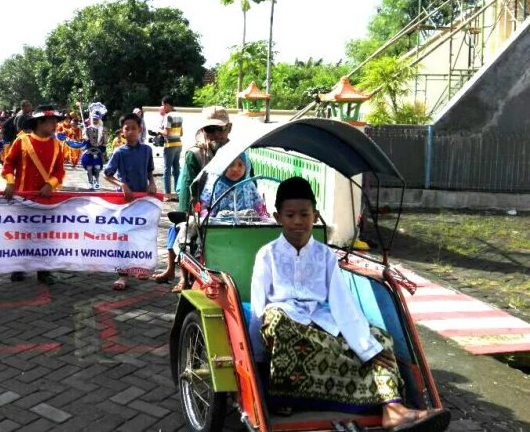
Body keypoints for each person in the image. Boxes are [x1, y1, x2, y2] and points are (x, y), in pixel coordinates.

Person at [250, 177, 449, 430]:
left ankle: (393, 408)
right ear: (278, 217)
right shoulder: (267, 254)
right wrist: (257, 358)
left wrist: (367, 346)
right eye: (290, 215)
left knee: (381, 340)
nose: (298, 221)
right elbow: (257, 306)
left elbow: (342, 302)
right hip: (284, 321)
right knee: (277, 320)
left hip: (321, 321)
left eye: (304, 214)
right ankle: (285, 395)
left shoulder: (325, 255)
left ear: (315, 216)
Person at [152, 106, 232, 292]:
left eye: (219, 129)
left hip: (229, 208)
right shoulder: (196, 154)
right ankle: (181, 275)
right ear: (203, 130)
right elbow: (189, 187)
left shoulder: (237, 151)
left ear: (229, 128)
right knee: (182, 230)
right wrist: (187, 213)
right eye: (210, 129)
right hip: (202, 208)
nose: (215, 134)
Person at [2, 104, 66, 285]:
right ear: (39, 122)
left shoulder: (57, 145)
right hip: (23, 198)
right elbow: (9, 163)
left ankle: (43, 271)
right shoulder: (21, 141)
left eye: (55, 122)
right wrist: (10, 182)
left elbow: (60, 171)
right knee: (22, 234)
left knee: (45, 235)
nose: (55, 125)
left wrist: (50, 184)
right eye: (51, 121)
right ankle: (18, 267)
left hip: (46, 199)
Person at [104, 113, 157, 291]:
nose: (131, 131)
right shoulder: (119, 152)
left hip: (142, 201)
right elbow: (107, 174)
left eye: (134, 128)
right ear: (122, 131)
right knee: (123, 237)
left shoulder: (147, 150)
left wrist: (152, 183)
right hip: (124, 201)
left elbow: (149, 171)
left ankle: (139, 267)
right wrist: (122, 185)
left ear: (140, 129)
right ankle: (122, 274)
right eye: (127, 128)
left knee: (140, 234)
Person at [200, 153, 269, 221]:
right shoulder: (215, 185)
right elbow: (205, 207)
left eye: (240, 165)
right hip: (220, 224)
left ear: (246, 167)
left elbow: (258, 205)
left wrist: (264, 217)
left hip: (246, 224)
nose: (235, 169)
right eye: (231, 165)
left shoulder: (249, 185)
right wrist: (207, 218)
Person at [159, 96, 183, 200]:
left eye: (163, 105)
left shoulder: (168, 116)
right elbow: (181, 133)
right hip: (178, 144)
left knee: (167, 170)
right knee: (176, 170)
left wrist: (158, 130)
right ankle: (178, 193)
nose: (163, 107)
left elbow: (167, 132)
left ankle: (167, 194)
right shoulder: (179, 115)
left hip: (169, 145)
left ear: (167, 104)